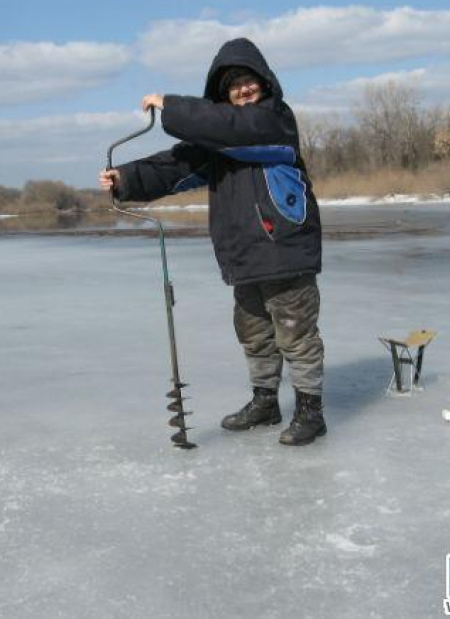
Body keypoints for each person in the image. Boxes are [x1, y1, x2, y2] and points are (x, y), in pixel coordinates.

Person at [98, 38, 326, 446]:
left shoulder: (274, 121)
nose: (242, 89)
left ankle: (311, 412)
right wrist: (127, 179)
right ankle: (265, 402)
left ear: (265, 83)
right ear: (222, 95)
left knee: (296, 333)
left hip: (285, 249)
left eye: (248, 80)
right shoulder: (221, 140)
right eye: (232, 85)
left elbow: (231, 127)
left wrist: (172, 104)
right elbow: (177, 165)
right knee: (254, 333)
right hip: (242, 254)